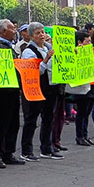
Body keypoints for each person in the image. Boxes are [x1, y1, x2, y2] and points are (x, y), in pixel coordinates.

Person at [0, 19, 25, 166]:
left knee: (13, 123)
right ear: (3, 31)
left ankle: (8, 153)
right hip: (2, 90)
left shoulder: (8, 45)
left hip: (12, 88)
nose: (15, 31)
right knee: (1, 123)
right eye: (12, 29)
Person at [19, 23, 59, 160]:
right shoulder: (28, 51)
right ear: (31, 36)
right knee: (31, 119)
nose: (42, 35)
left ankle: (46, 148)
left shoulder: (49, 47)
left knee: (48, 118)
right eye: (37, 33)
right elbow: (34, 72)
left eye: (42, 32)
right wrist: (46, 59)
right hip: (36, 88)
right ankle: (26, 150)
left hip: (51, 87)